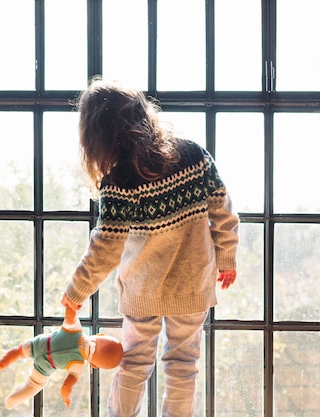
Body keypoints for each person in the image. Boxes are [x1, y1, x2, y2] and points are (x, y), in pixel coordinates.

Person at [61, 77, 240, 417]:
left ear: (98, 137)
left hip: (144, 289)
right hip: (193, 284)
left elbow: (106, 247)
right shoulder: (194, 155)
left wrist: (77, 291)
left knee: (134, 362)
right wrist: (226, 256)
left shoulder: (120, 183)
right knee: (183, 362)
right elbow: (223, 208)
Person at [0, 306, 123, 410]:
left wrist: (72, 304)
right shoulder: (78, 365)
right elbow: (66, 386)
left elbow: (70, 314)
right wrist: (66, 398)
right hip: (45, 366)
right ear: (94, 365)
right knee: (33, 386)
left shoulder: (76, 330)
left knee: (18, 351)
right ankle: (13, 400)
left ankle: (2, 363)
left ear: (100, 334)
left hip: (41, 344)